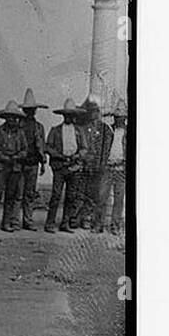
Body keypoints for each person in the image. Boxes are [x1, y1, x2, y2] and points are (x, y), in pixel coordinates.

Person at [71, 96, 113, 231]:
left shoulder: (105, 129)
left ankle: (89, 219)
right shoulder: (83, 128)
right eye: (91, 111)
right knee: (82, 193)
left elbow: (106, 149)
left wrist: (102, 164)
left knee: (95, 195)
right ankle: (79, 218)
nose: (93, 114)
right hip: (85, 166)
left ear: (98, 112)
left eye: (95, 111)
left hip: (99, 167)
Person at [0, 100, 29, 232]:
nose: (11, 119)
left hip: (15, 167)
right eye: (9, 117)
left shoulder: (21, 133)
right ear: (5, 118)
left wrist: (16, 157)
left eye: (14, 117)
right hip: (1, 166)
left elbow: (25, 150)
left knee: (10, 195)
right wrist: (2, 156)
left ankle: (6, 222)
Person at [44, 98, 84, 233]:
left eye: (71, 115)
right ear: (63, 115)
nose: (69, 117)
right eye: (67, 115)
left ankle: (65, 223)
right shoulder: (55, 130)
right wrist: (59, 156)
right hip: (59, 166)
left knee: (71, 196)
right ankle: (50, 223)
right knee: (56, 194)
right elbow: (48, 146)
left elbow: (84, 148)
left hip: (73, 166)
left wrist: (77, 156)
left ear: (74, 116)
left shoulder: (79, 131)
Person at [18, 89, 48, 231]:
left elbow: (41, 146)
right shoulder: (19, 126)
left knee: (29, 193)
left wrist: (43, 163)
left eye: (32, 110)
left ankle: (27, 220)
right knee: (18, 192)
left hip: (33, 163)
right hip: (20, 163)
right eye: (28, 110)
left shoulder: (39, 127)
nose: (30, 112)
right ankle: (14, 220)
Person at [100, 98, 127, 236]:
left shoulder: (128, 132)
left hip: (121, 169)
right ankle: (98, 224)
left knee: (119, 199)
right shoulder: (108, 130)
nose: (119, 120)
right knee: (102, 196)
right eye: (117, 117)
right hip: (108, 167)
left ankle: (115, 226)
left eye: (121, 117)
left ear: (125, 118)